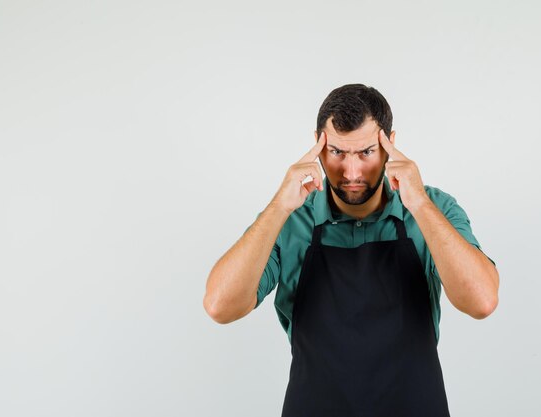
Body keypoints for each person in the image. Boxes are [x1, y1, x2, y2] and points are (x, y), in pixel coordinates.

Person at [204, 83, 499, 416]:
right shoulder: (289, 219)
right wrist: (277, 208)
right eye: (337, 153)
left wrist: (419, 204)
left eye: (366, 152)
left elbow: (482, 301)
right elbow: (219, 306)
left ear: (391, 145)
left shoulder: (432, 209)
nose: (352, 172)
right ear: (318, 145)